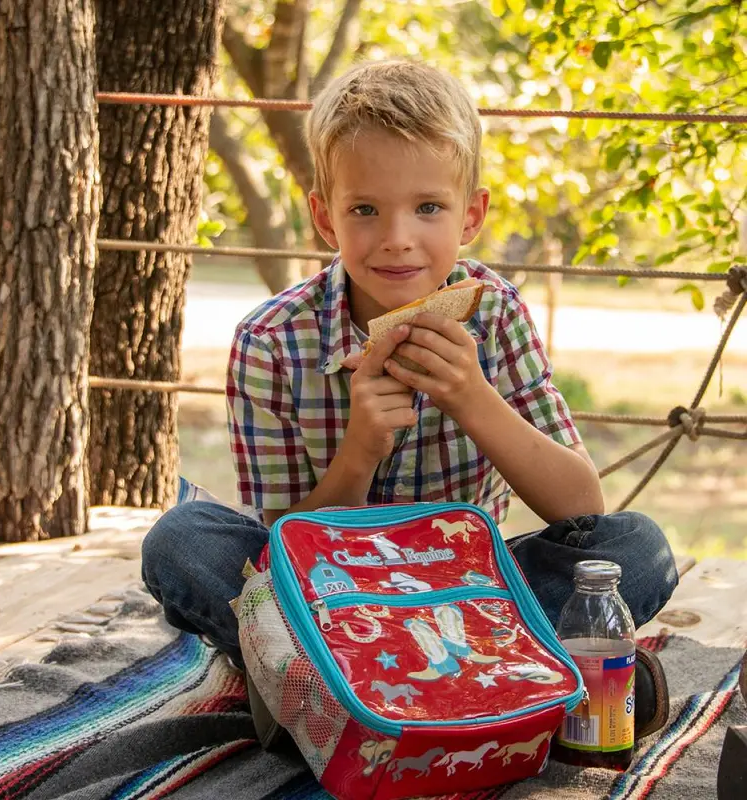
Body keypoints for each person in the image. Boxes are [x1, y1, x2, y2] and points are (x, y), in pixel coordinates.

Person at [142, 61, 677, 736]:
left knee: (639, 548)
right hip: (332, 601)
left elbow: (581, 504)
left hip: (476, 593)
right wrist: (360, 451)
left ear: (472, 214)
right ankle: (504, 685)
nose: (398, 237)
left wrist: (473, 399)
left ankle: (327, 693)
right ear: (324, 218)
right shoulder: (271, 341)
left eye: (428, 208)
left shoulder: (497, 315)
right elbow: (284, 551)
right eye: (365, 210)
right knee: (182, 542)